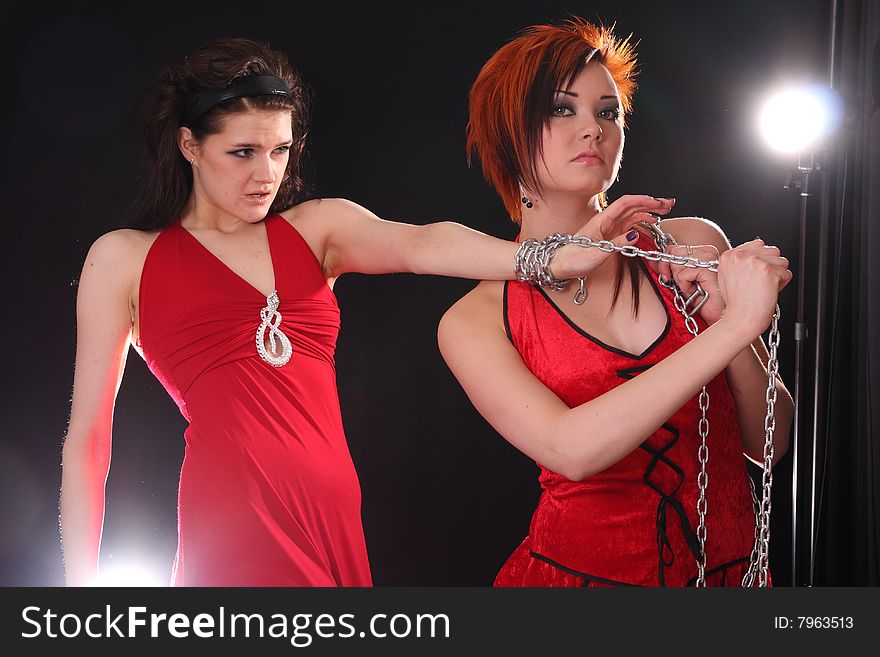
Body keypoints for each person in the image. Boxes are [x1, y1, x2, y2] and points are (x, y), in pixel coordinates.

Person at [58, 36, 670, 587]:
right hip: (234, 512)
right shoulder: (125, 259)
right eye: (243, 152)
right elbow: (89, 438)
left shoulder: (317, 228)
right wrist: (76, 589)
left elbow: (425, 242)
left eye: (280, 150)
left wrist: (555, 258)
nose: (267, 174)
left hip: (336, 510)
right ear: (189, 144)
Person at [438, 18, 795, 587]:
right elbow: (571, 451)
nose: (593, 130)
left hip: (731, 579)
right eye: (562, 109)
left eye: (608, 112)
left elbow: (769, 443)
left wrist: (724, 325)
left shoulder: (692, 246)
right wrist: (735, 329)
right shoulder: (478, 319)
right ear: (508, 134)